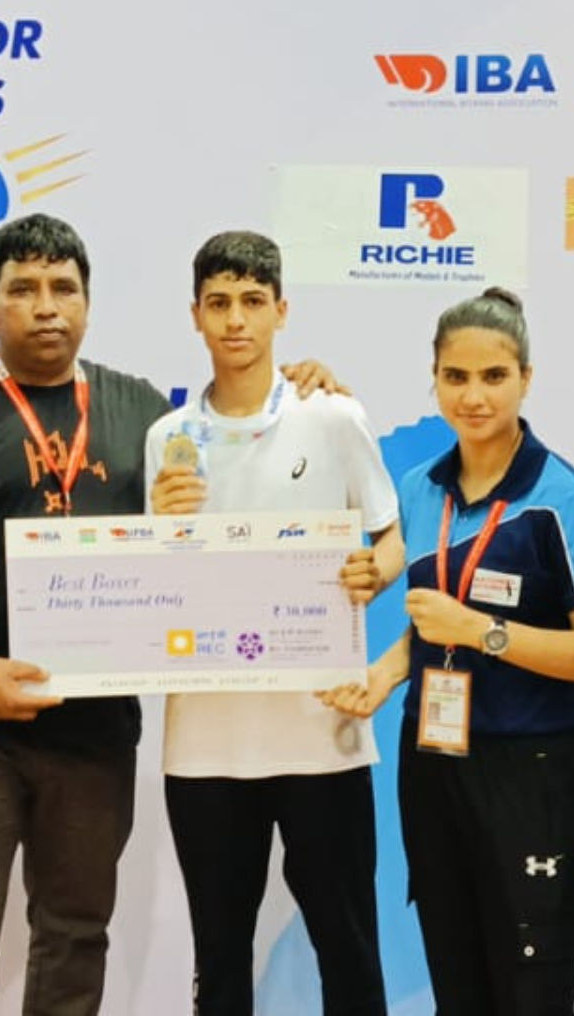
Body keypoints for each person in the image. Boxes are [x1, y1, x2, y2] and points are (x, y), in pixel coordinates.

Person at [0, 213, 338, 1016]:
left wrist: (306, 394)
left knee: (76, 937)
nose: (46, 306)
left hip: (94, 732)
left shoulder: (142, 410)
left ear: (87, 300)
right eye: (23, 290)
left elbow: (218, 501)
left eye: (63, 288)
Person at [324, 287, 574, 1016]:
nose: (474, 395)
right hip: (433, 767)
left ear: (526, 377)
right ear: (434, 379)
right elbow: (432, 622)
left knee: (530, 988)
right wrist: (386, 674)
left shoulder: (569, 501)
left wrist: (482, 631)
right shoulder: (421, 490)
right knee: (456, 982)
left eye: (494, 377)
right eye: (455, 377)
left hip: (531, 772)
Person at [146, 230, 404, 1016]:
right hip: (206, 745)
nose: (236, 321)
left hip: (320, 732)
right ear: (194, 315)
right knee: (219, 958)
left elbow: (390, 539)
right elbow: (146, 592)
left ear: (281, 310)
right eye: (218, 304)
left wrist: (376, 570)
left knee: (349, 949)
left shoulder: (333, 417)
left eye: (253, 303)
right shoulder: (167, 440)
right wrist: (159, 528)